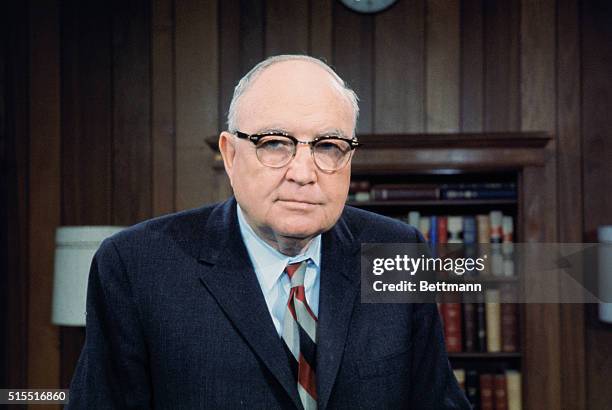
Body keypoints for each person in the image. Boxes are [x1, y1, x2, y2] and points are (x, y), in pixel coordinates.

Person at [68, 55, 470, 409]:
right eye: (274, 143)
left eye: (328, 146)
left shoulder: (397, 249)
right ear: (230, 154)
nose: (302, 173)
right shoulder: (137, 265)